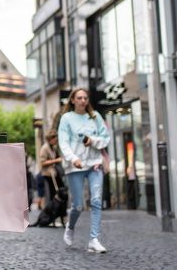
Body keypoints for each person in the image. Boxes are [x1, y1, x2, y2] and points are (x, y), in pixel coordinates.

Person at [58, 88, 110, 254]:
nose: (83, 101)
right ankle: (70, 227)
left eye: (85, 98)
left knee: (96, 201)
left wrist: (93, 140)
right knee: (78, 206)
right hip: (75, 166)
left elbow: (106, 138)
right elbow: (63, 142)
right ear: (73, 100)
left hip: (94, 165)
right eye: (79, 98)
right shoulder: (66, 118)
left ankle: (94, 239)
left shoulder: (95, 117)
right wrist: (73, 159)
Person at [40, 131, 64, 206]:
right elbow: (42, 162)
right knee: (52, 193)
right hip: (49, 174)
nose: (56, 141)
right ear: (51, 139)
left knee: (61, 190)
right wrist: (56, 161)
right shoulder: (45, 148)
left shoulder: (53, 147)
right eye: (55, 140)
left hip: (55, 173)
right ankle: (53, 211)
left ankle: (62, 213)